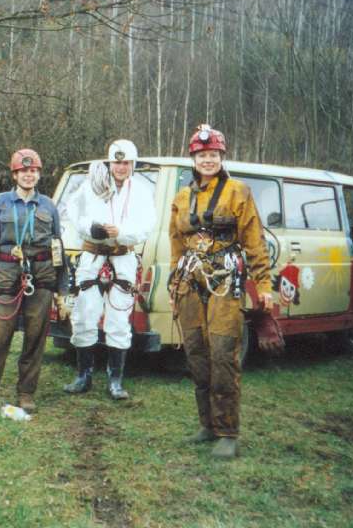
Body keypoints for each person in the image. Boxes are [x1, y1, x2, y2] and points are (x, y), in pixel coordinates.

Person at [168, 124, 272, 460]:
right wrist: (174, 281)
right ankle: (207, 425)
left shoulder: (238, 192)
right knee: (196, 354)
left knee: (223, 354)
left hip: (225, 283)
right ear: (193, 159)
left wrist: (264, 284)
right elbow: (176, 243)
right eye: (202, 156)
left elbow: (254, 241)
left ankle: (228, 432)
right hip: (189, 282)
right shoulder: (181, 198)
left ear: (221, 156)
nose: (208, 160)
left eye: (213, 154)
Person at [0, 149, 67, 414]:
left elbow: (58, 248)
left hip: (42, 278)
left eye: (33, 171)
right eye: (23, 171)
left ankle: (26, 391)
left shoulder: (49, 206)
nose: (29, 175)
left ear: (39, 174)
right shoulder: (0, 204)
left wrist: (62, 290)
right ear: (14, 175)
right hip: (8, 277)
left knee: (36, 336)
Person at [63, 140, 156, 400]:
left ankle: (115, 380)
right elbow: (73, 210)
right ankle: (83, 376)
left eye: (125, 163)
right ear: (110, 163)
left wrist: (121, 232)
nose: (120, 167)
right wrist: (90, 228)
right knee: (84, 314)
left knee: (118, 318)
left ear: (132, 164)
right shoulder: (92, 185)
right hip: (92, 256)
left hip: (122, 257)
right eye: (116, 162)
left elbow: (147, 225)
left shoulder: (141, 191)